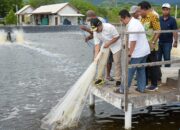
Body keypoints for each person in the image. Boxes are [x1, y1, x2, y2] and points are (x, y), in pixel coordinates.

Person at [115, 9, 150, 93]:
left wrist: (129, 55)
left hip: (137, 52)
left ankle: (123, 89)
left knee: (129, 71)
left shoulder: (132, 26)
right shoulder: (135, 21)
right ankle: (141, 88)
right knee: (141, 70)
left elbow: (133, 42)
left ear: (126, 17)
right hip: (144, 51)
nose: (121, 22)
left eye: (121, 20)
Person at [80, 10, 114, 82]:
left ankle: (107, 75)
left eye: (89, 19)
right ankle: (97, 75)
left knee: (108, 60)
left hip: (107, 42)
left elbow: (98, 31)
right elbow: (94, 33)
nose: (89, 21)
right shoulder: (90, 22)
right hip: (98, 43)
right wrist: (88, 37)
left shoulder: (101, 21)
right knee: (95, 59)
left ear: (93, 16)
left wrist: (86, 29)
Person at [90, 18, 122, 86]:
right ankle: (100, 78)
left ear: (100, 25)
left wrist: (109, 43)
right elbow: (97, 44)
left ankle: (118, 80)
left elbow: (117, 36)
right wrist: (96, 56)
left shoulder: (109, 27)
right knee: (101, 61)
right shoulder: (95, 31)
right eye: (95, 30)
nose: (96, 31)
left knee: (117, 62)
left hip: (116, 45)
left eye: (97, 29)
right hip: (105, 45)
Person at [138, 1, 161, 91]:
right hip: (144, 46)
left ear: (145, 9)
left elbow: (158, 30)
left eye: (140, 11)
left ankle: (154, 84)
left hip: (152, 46)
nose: (139, 13)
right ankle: (145, 83)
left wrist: (153, 42)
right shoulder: (142, 19)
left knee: (153, 65)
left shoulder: (153, 16)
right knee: (145, 65)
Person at [158, 3, 178, 67]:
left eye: (167, 9)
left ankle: (167, 72)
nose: (165, 11)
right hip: (159, 41)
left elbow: (175, 32)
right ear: (162, 10)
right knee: (158, 59)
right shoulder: (159, 19)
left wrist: (175, 41)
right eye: (164, 9)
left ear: (169, 10)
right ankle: (158, 73)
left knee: (167, 58)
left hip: (168, 43)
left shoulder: (172, 20)